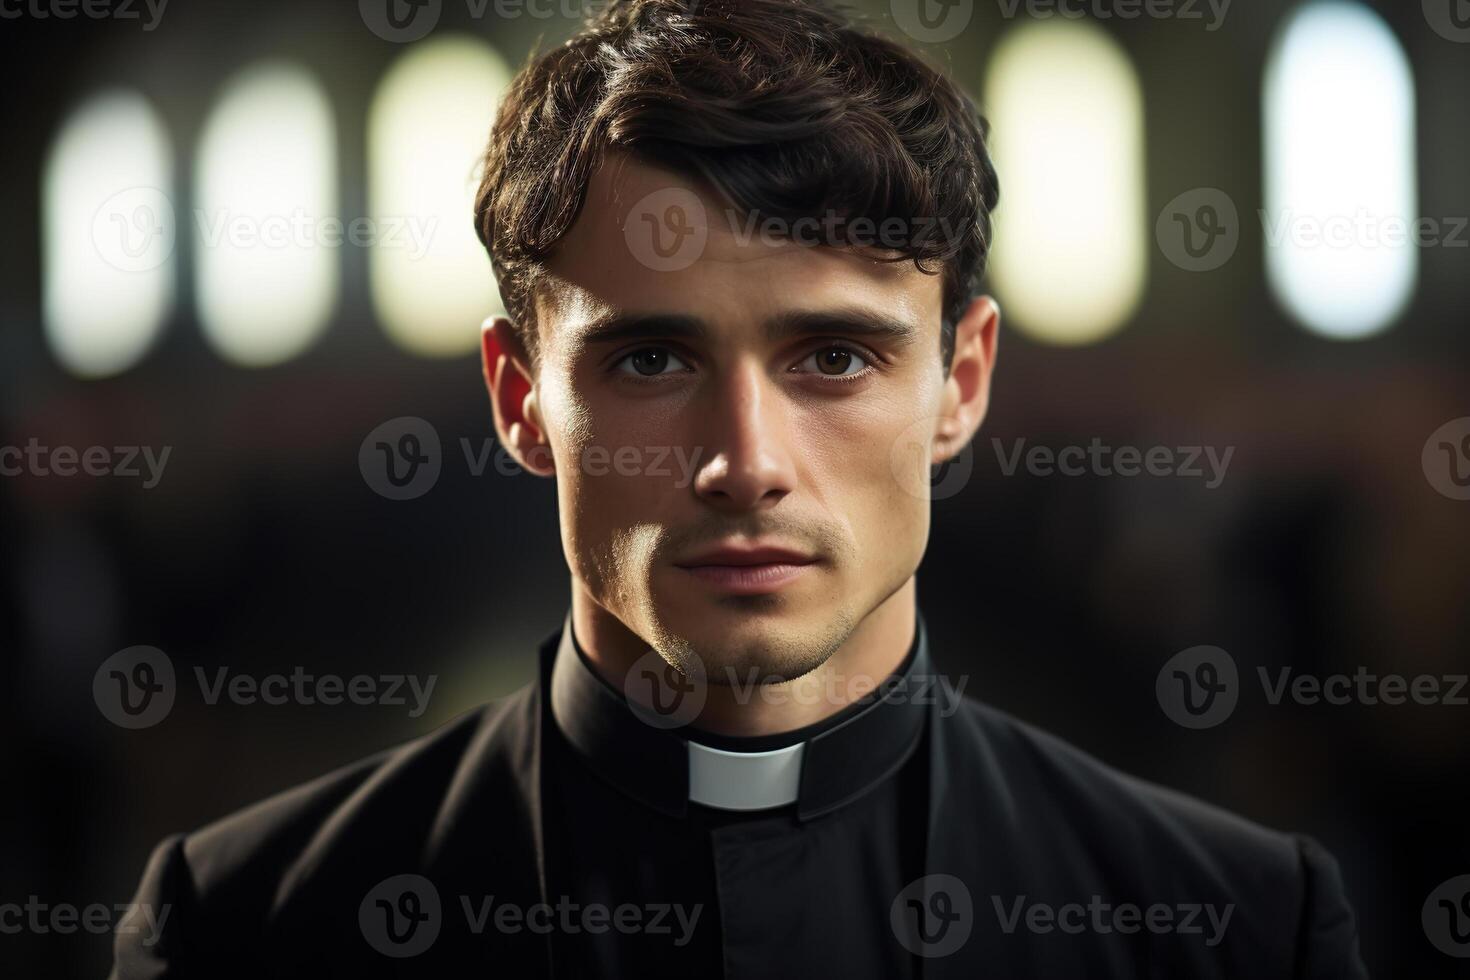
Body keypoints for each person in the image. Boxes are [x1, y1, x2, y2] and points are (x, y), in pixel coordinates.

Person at [112, 1, 1368, 976]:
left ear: (960, 383)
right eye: (652, 357)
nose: (745, 462)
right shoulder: (244, 929)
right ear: (518, 400)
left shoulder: (1233, 931)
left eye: (834, 356)